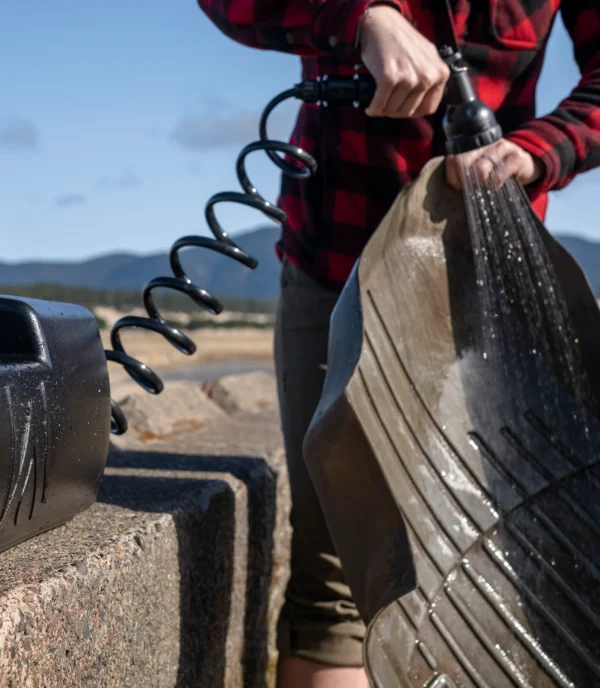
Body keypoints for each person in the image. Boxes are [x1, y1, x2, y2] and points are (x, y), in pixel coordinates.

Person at [195, 1, 600, 686]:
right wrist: (361, 17)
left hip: (496, 277)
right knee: (339, 582)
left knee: (532, 573)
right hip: (335, 270)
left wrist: (537, 152)